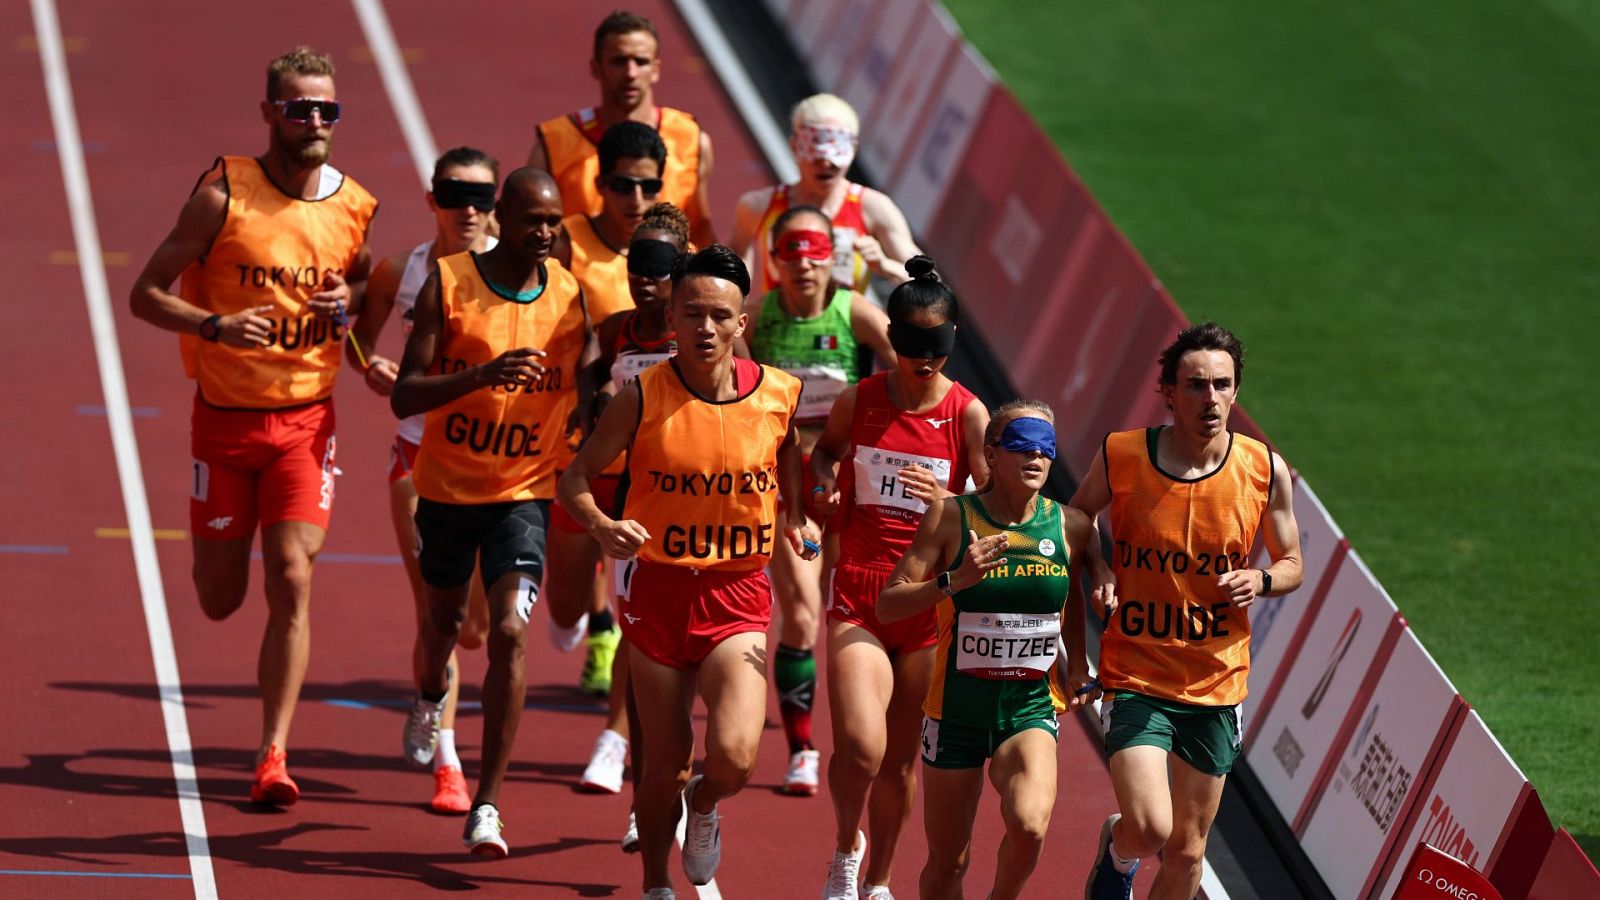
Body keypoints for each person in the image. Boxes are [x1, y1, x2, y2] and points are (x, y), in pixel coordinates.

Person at [127, 47, 376, 807]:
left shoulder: (355, 202)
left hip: (307, 419)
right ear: (268, 112)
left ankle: (273, 752)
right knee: (219, 597)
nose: (314, 121)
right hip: (225, 425)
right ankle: (215, 549)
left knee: (294, 576)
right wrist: (215, 327)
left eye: (326, 109)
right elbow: (144, 293)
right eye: (299, 107)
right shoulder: (222, 195)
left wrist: (350, 301)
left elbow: (361, 279)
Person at [558, 245, 818, 900]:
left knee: (732, 757)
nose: (704, 328)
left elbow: (793, 478)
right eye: (691, 314)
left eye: (718, 315)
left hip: (737, 594)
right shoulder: (640, 396)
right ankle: (654, 884)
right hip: (660, 594)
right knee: (662, 765)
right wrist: (602, 524)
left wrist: (800, 522)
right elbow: (576, 481)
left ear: (741, 324)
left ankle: (705, 805)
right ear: (670, 317)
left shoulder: (781, 397)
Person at [389, 168, 600, 857]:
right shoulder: (448, 284)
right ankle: (428, 696)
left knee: (510, 632)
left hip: (523, 493)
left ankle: (487, 805)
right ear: (502, 217)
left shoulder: (569, 297)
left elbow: (590, 378)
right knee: (446, 625)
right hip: (448, 490)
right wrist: (479, 377)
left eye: (554, 223)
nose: (545, 233)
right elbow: (406, 396)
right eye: (533, 220)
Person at [1074, 322, 1302, 900]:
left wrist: (1263, 577)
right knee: (1150, 827)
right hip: (1136, 673)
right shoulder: (1123, 454)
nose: (1211, 399)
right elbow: (1074, 523)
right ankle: (1120, 851)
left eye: (1222, 385)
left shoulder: (1263, 470)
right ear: (1169, 392)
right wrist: (1099, 568)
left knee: (1187, 853)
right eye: (1196, 385)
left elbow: (1294, 560)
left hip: (1216, 679)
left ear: (1236, 391)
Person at [808, 256, 989, 900]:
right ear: (890, 337)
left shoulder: (969, 416)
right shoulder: (861, 399)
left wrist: (946, 498)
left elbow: (999, 518)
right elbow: (825, 454)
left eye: (934, 347)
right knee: (859, 747)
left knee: (898, 762)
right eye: (909, 345)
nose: (922, 359)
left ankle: (878, 879)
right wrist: (823, 487)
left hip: (930, 607)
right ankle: (845, 847)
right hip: (862, 592)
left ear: (952, 341)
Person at [879, 400, 1097, 900]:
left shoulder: (1071, 527)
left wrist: (1079, 665)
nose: (1037, 456)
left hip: (1029, 708)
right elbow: (889, 605)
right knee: (947, 864)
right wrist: (954, 581)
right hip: (955, 713)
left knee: (1029, 825)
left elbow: (1074, 598)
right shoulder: (950, 517)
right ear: (991, 454)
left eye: (1046, 447)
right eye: (1022, 444)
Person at [345, 146, 499, 815]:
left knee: (477, 629)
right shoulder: (399, 271)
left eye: (482, 197)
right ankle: (448, 761)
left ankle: (439, 704)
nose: (468, 209)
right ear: (433, 198)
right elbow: (355, 337)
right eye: (455, 194)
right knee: (441, 614)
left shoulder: (523, 272)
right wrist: (371, 367)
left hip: (499, 469)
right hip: (417, 461)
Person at [744, 205, 896, 796]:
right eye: (791, 251)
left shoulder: (855, 312)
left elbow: (919, 369)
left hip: (854, 486)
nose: (804, 263)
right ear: (775, 258)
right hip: (790, 487)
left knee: (858, 615)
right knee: (804, 613)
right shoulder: (754, 317)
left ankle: (870, 731)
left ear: (833, 255)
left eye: (816, 250)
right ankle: (803, 747)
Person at [547, 121, 672, 703]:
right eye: (623, 185)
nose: (635, 199)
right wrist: (588, 398)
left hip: (651, 477)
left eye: (647, 187)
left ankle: (618, 736)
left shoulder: (680, 263)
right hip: (580, 451)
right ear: (601, 183)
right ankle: (582, 619)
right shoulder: (569, 242)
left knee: (639, 611)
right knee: (564, 605)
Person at [577, 203, 691, 815]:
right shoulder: (614, 331)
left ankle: (668, 776)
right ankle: (618, 741)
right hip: (630, 502)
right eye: (635, 262)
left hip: (697, 506)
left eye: (658, 264)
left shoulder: (703, 334)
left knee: (673, 644)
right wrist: (589, 404)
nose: (643, 276)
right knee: (636, 629)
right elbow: (588, 383)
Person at [529, 9, 716, 248]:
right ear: (596, 68)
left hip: (665, 280)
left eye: (641, 62)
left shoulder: (692, 140)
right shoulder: (553, 144)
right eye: (619, 61)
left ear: (656, 69)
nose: (630, 73)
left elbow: (701, 231)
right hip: (579, 279)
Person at [731, 93, 920, 295]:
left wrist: (885, 266)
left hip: (848, 325)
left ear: (853, 150)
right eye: (817, 157)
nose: (826, 164)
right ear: (795, 147)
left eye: (835, 156)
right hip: (776, 325)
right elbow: (735, 263)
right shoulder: (758, 206)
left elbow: (930, 282)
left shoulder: (874, 207)